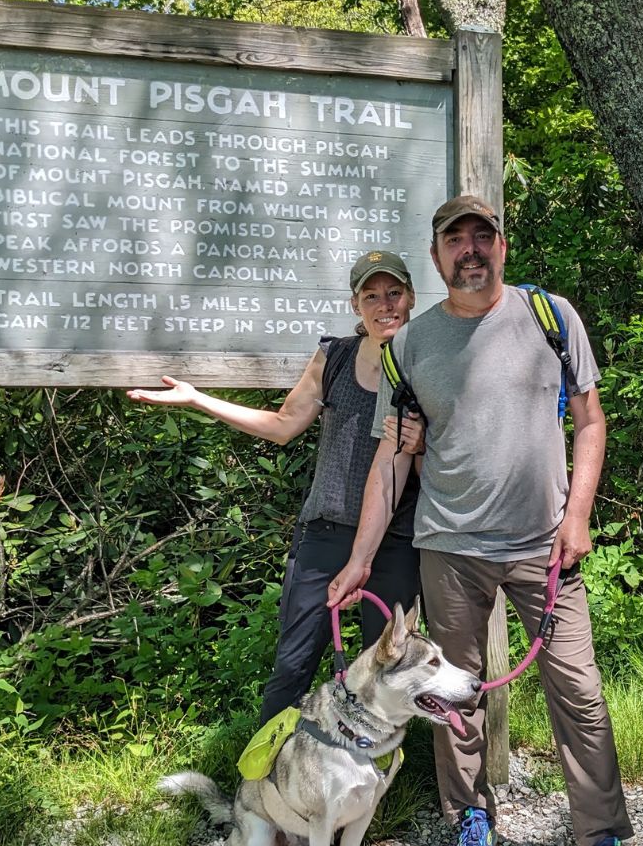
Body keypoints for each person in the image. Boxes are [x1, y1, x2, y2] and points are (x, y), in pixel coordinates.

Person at [327, 195, 638, 846]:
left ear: (502, 245)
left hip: (545, 548)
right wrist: (360, 559)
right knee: (451, 694)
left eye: (482, 235)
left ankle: (600, 841)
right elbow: (392, 460)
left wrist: (580, 514)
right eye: (454, 239)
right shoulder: (411, 346)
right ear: (436, 257)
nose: (470, 249)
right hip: (450, 547)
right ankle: (469, 815)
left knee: (580, 693)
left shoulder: (549, 317)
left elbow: (590, 421)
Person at [127, 251, 424, 725]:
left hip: (395, 538)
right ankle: (263, 780)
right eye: (371, 295)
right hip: (324, 533)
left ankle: (370, 787)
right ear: (355, 305)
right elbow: (283, 425)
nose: (384, 304)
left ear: (410, 297)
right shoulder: (335, 357)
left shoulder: (424, 359)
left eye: (393, 293)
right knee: (293, 665)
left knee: (386, 671)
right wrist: (197, 398)